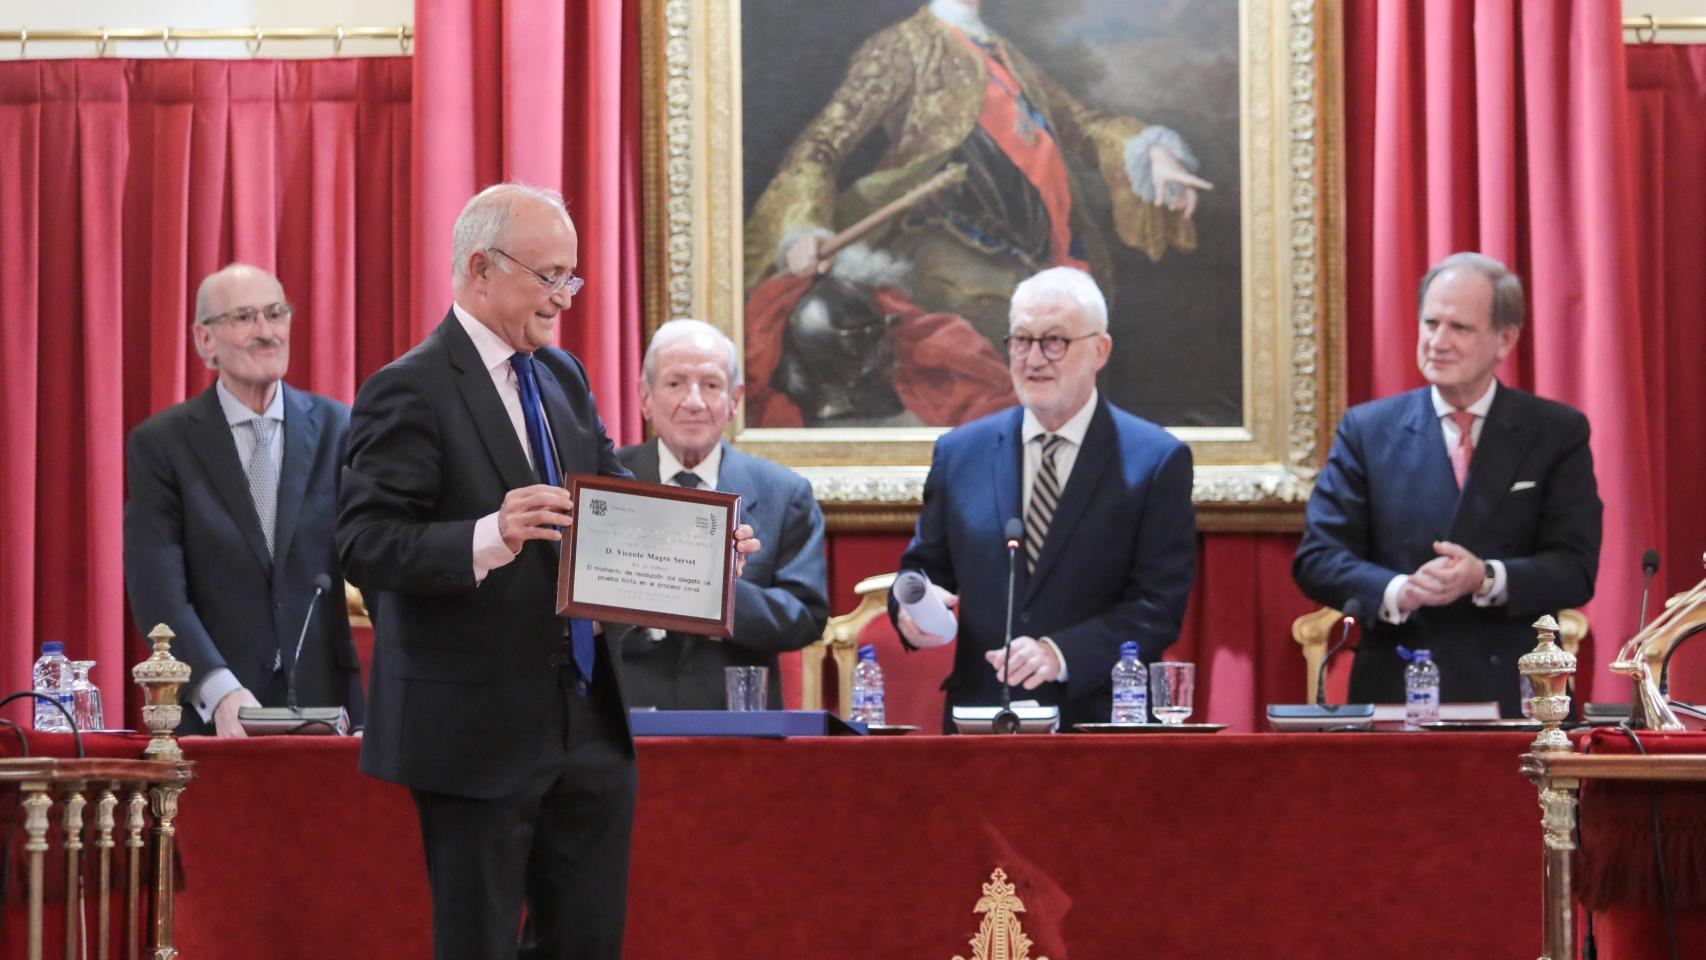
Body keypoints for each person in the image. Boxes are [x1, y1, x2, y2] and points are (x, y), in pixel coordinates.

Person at [337, 183, 759, 960]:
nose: (563, 297)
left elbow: (612, 509)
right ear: (480, 268)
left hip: (590, 724)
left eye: (573, 278)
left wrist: (700, 549)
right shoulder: (409, 387)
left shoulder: (562, 376)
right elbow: (363, 544)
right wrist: (486, 535)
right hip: (475, 733)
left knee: (587, 943)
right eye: (549, 275)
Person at [742, 0, 1214, 428]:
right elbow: (822, 143)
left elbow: (1081, 124)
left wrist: (1151, 154)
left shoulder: (1003, 51)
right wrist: (803, 229)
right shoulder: (901, 46)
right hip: (945, 264)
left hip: (1039, 256)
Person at [1292, 252, 1603, 717]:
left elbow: (1575, 568)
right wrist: (1399, 589)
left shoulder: (1555, 431)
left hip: (1512, 693)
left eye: (1459, 328)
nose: (1437, 341)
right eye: (1430, 323)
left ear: (1504, 340)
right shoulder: (1368, 430)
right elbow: (1317, 559)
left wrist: (1486, 576)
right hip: (1396, 686)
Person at [889, 266, 1196, 731]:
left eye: (1054, 341)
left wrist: (1060, 653)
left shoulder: (1154, 461)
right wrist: (912, 611)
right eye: (1020, 340)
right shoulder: (960, 453)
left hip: (1099, 723)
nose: (1033, 359)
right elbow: (923, 568)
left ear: (1099, 350)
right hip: (981, 721)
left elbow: (1158, 607)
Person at [123, 263, 362, 736]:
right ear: (204, 340)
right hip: (217, 718)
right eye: (244, 318)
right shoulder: (162, 445)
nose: (266, 331)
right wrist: (218, 688)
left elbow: (372, 566)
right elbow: (158, 590)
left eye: (276, 313)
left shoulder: (340, 428)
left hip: (331, 712)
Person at [617, 320, 829, 709]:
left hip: (737, 729)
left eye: (711, 386)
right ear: (645, 396)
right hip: (624, 723)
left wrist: (711, 590)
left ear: (734, 400)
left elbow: (805, 618)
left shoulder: (784, 493)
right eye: (675, 383)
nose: (694, 401)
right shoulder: (607, 482)